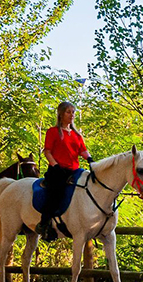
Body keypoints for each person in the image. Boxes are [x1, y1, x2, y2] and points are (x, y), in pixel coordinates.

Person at [37, 101, 93, 241]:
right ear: (61, 114)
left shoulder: (76, 134)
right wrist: (55, 166)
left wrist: (91, 160)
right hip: (57, 170)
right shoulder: (53, 132)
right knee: (55, 192)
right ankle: (45, 224)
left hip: (74, 170)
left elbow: (82, 150)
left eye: (73, 112)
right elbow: (47, 151)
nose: (72, 115)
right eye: (68, 112)